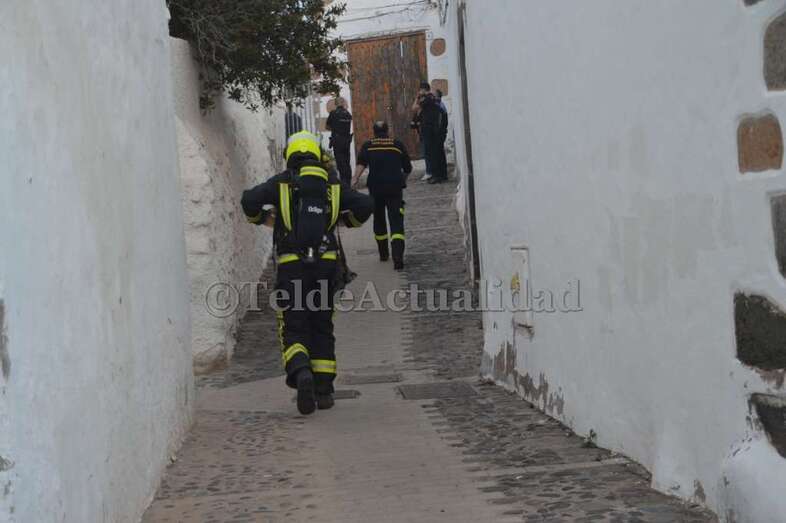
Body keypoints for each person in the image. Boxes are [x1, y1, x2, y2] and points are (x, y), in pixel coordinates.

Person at [241, 131, 373, 415]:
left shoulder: (282, 183)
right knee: (322, 324)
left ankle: (301, 372)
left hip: (292, 266)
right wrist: (343, 220)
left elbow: (248, 200)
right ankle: (324, 391)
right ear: (316, 152)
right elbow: (365, 205)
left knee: (293, 322)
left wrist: (264, 219)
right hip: (326, 265)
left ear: (290, 154)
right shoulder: (332, 184)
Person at [352, 121, 412, 271]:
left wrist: (354, 179)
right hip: (394, 189)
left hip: (376, 188)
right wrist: (402, 180)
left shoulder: (368, 146)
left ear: (374, 131)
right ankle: (398, 257)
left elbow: (361, 164)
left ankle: (384, 253)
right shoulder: (397, 145)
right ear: (387, 130)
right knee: (396, 220)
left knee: (379, 219)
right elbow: (408, 168)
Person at [411, 82, 448, 184]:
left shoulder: (428, 99)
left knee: (433, 153)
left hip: (432, 130)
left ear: (423, 90)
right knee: (437, 153)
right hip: (435, 130)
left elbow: (414, 108)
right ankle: (440, 175)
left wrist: (417, 97)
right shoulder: (433, 100)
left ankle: (436, 175)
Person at [326, 97, 353, 186]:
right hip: (347, 141)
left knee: (340, 163)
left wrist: (334, 127)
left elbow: (327, 127)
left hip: (338, 141)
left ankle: (343, 183)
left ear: (336, 104)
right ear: (343, 103)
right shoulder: (348, 114)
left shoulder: (333, 113)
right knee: (346, 162)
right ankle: (348, 183)